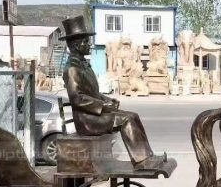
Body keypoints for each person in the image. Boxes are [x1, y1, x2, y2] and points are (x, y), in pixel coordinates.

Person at [61, 15, 165, 169]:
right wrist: (103, 106)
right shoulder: (72, 69)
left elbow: (92, 93)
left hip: (93, 114)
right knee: (126, 119)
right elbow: (77, 98)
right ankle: (142, 161)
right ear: (76, 46)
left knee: (132, 115)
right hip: (87, 120)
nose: (89, 45)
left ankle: (147, 155)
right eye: (86, 42)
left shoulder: (83, 66)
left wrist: (108, 100)